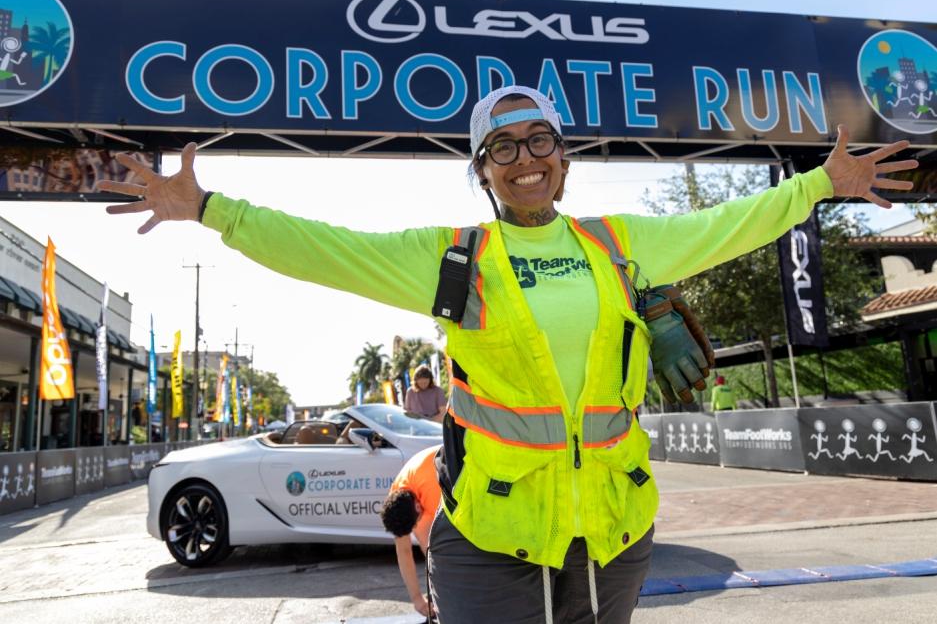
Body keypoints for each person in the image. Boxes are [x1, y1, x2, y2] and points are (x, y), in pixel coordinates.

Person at [99, 84, 914, 623]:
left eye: (539, 140)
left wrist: (816, 184)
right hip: (494, 537)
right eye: (503, 147)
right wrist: (209, 207)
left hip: (611, 532)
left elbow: (727, 224)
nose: (525, 159)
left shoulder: (617, 243)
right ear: (483, 171)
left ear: (563, 157)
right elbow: (324, 247)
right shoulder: (455, 257)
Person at [380, 444, 443, 619]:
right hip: (426, 476)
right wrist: (417, 599)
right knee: (434, 552)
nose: (415, 528)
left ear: (417, 506)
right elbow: (404, 551)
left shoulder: (434, 490)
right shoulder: (397, 497)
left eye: (414, 524)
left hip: (455, 463)